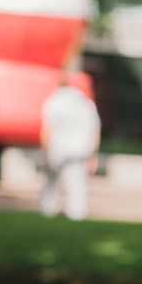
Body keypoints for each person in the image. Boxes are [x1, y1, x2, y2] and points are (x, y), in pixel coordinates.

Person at [38, 74, 101, 220]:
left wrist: (44, 152)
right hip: (79, 151)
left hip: (56, 149)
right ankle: (77, 215)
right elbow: (95, 131)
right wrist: (93, 155)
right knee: (77, 186)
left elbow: (47, 130)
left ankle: (47, 212)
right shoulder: (87, 105)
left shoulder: (53, 102)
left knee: (51, 184)